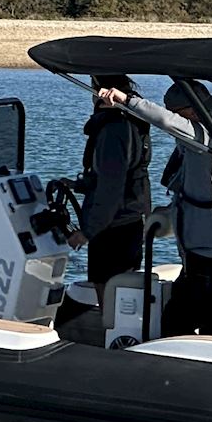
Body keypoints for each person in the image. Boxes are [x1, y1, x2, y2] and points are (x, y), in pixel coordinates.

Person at [97, 80, 212, 335]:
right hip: (198, 252)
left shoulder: (210, 136)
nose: (182, 118)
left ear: (191, 112)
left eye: (182, 113)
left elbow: (166, 121)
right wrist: (168, 213)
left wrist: (128, 101)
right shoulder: (189, 144)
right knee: (174, 321)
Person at [69, 73, 152, 288]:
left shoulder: (113, 131)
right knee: (122, 288)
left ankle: (109, 322)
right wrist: (78, 185)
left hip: (115, 225)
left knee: (108, 290)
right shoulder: (132, 122)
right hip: (131, 219)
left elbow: (110, 187)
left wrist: (87, 232)